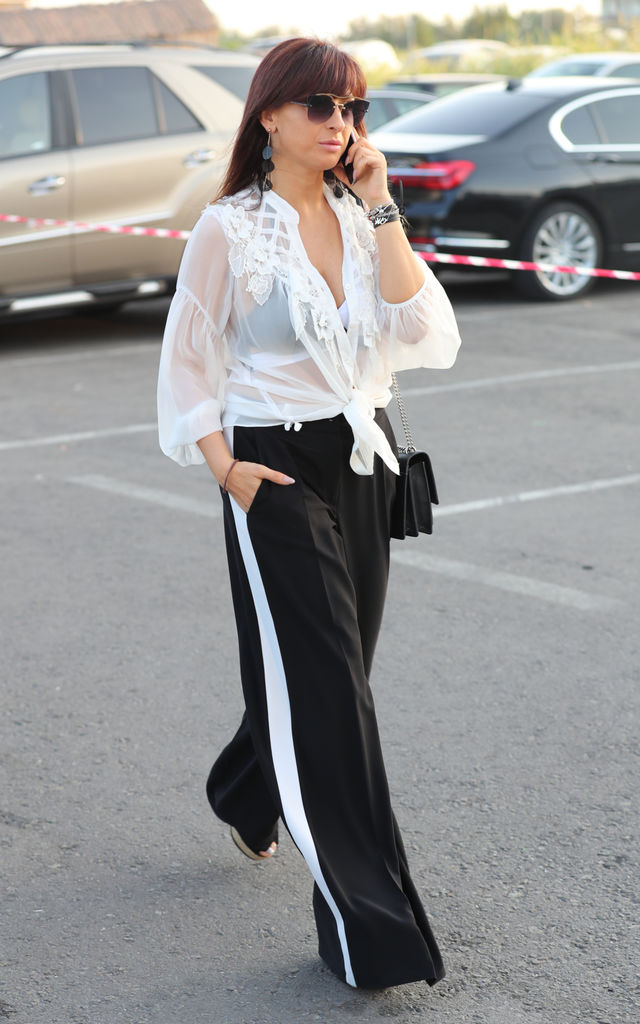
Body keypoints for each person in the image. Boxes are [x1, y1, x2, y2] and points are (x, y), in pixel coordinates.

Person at [157, 37, 461, 990]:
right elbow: (187, 357)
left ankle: (247, 792)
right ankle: (371, 928)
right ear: (270, 116)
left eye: (353, 108)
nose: (341, 124)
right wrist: (225, 468)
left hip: (362, 457)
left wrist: (382, 206)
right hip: (273, 467)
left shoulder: (362, 216)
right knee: (329, 686)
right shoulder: (229, 229)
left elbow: (422, 329)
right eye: (322, 106)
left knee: (339, 667)